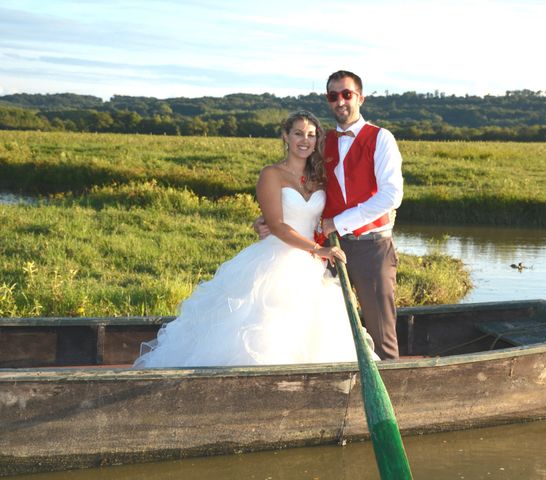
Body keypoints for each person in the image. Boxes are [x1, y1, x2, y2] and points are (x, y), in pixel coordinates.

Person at [134, 110, 374, 368]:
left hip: (310, 264)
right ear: (286, 136)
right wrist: (319, 249)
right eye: (298, 134)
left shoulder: (319, 177)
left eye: (311, 135)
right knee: (266, 327)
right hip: (277, 258)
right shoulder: (271, 174)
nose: (305, 140)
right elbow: (278, 226)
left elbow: (326, 213)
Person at [256, 70, 404, 360]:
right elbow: (307, 188)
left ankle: (390, 392)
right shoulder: (324, 142)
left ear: (360, 97)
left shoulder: (382, 139)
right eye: (333, 96)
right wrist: (271, 221)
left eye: (346, 94)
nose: (340, 101)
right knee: (321, 323)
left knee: (380, 332)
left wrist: (339, 222)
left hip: (371, 246)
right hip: (327, 249)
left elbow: (391, 196)